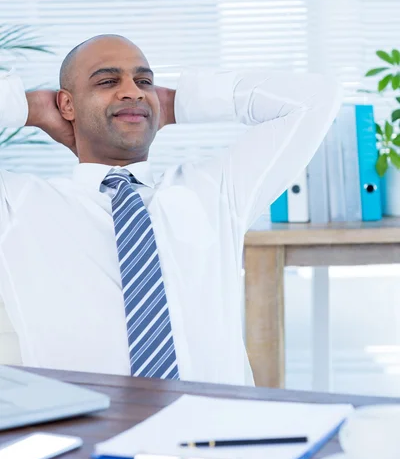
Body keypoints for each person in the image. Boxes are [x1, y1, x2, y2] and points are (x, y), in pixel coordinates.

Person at [0, 35, 342, 385]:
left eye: (144, 81)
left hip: (218, 427)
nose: (133, 91)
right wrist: (30, 109)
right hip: (91, 431)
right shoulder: (18, 204)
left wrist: (177, 104)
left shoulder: (215, 189)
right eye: (107, 81)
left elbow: (316, 98)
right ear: (67, 105)